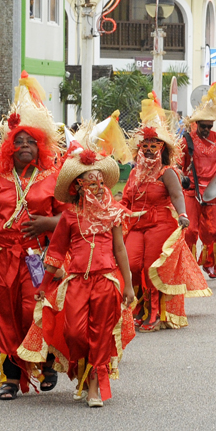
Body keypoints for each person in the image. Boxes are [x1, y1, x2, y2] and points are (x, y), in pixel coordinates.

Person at [0, 73, 67, 400]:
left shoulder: (54, 177)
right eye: (18, 141)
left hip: (37, 258)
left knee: (33, 310)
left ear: (41, 145)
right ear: (9, 146)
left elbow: (71, 216)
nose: (23, 146)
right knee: (4, 317)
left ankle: (45, 363)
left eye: (30, 141)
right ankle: (10, 377)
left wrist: (47, 223)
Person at [44, 132, 136, 407]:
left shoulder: (113, 213)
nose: (96, 186)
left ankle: (94, 385)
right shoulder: (70, 215)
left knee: (100, 333)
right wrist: (44, 283)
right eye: (89, 181)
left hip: (107, 279)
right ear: (78, 186)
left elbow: (120, 250)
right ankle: (82, 373)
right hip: (75, 281)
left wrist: (128, 285)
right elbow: (57, 251)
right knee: (75, 333)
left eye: (99, 180)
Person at [122, 94, 211, 331]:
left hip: (161, 224)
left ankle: (154, 313)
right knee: (131, 264)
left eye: (154, 146)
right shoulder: (132, 174)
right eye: (145, 146)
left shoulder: (167, 172)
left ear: (162, 150)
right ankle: (139, 308)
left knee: (152, 266)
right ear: (139, 149)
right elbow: (124, 201)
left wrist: (183, 214)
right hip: (135, 225)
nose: (149, 150)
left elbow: (177, 196)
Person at [179, 83, 216, 285]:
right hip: (192, 191)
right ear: (196, 125)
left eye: (209, 127)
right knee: (191, 231)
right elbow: (178, 164)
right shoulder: (187, 140)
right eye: (203, 126)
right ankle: (188, 269)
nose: (206, 130)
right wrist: (181, 176)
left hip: (214, 190)